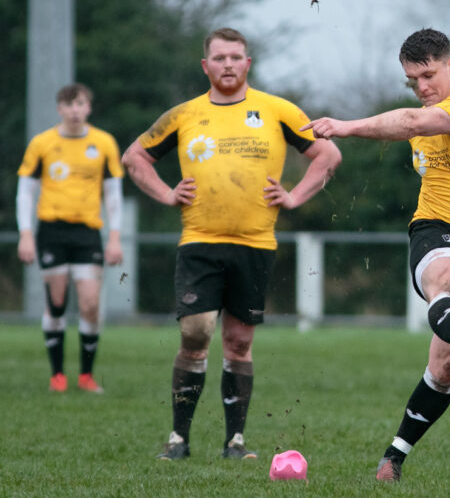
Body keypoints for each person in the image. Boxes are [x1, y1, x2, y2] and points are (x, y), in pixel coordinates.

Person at [303, 28, 450, 481]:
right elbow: (414, 123)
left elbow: (414, 124)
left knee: (445, 367)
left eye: (428, 75)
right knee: (448, 280)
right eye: (412, 80)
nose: (421, 86)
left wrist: (346, 126)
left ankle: (394, 456)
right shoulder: (425, 118)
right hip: (436, 227)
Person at [121, 27, 341, 461]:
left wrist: (294, 196)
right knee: (196, 331)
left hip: (255, 245)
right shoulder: (184, 114)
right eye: (219, 58)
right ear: (206, 66)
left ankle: (235, 443)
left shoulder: (276, 110)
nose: (227, 65)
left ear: (247, 63)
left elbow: (328, 155)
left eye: (235, 57)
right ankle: (178, 439)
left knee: (239, 341)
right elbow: (135, 157)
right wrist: (167, 193)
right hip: (200, 241)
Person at [16, 83, 125, 395]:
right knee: (57, 303)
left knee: (90, 303)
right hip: (51, 230)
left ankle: (86, 376)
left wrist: (114, 237)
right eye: (69, 104)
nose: (75, 110)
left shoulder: (103, 143)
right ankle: (57, 376)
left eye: (80, 104)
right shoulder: (42, 143)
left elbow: (113, 194)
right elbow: (26, 192)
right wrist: (26, 234)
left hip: (87, 232)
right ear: (59, 109)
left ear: (88, 107)